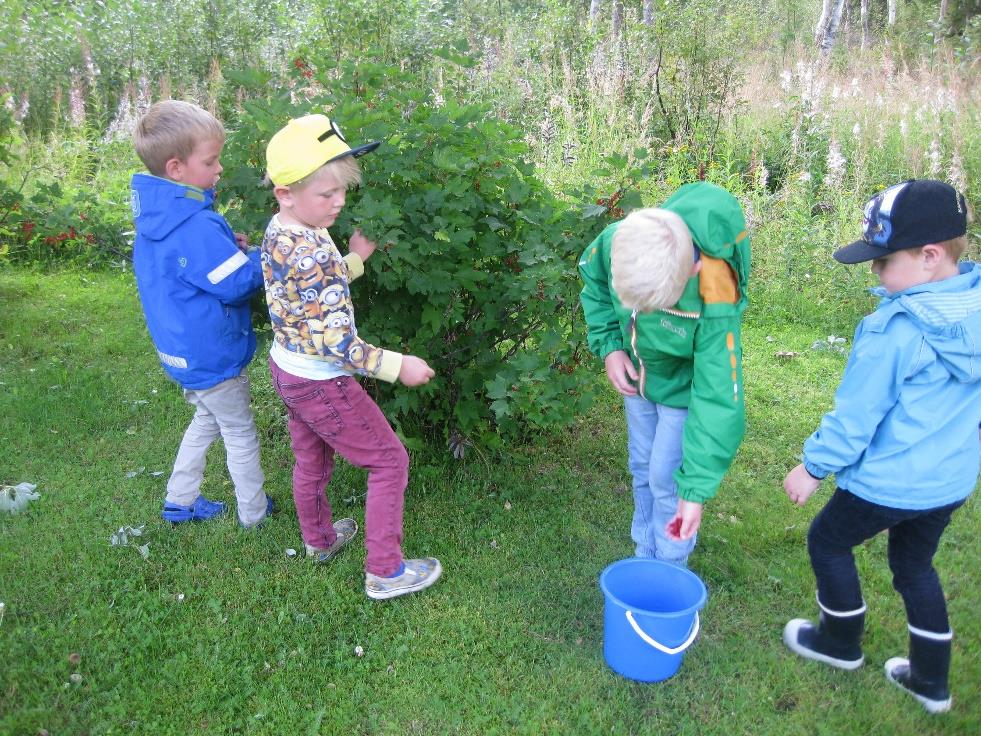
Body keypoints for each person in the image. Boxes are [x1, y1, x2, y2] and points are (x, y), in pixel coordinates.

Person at [782, 179, 979, 714]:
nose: (875, 271)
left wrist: (812, 467)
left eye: (883, 260)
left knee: (828, 540)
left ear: (929, 256)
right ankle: (931, 681)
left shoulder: (895, 330)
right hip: (949, 482)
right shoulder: (975, 310)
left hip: (889, 483)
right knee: (915, 567)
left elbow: (855, 419)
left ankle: (840, 644)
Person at [261, 113, 441, 600]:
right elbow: (337, 342)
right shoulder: (310, 246)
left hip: (288, 369)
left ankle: (319, 540)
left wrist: (355, 258)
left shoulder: (284, 230)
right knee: (389, 462)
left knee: (312, 460)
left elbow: (311, 292)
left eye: (342, 190)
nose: (339, 201)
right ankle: (385, 571)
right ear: (285, 192)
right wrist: (396, 365)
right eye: (327, 194)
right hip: (323, 382)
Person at [579, 182, 751, 567]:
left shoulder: (715, 292)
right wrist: (611, 347)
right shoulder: (618, 241)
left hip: (681, 390)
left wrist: (695, 490)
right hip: (638, 380)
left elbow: (718, 397)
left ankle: (669, 568)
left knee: (666, 480)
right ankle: (646, 554)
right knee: (642, 466)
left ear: (692, 270)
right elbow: (593, 282)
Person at [131, 100, 274, 528]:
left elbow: (201, 267)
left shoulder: (161, 216)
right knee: (240, 432)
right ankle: (255, 512)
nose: (218, 169)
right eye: (210, 161)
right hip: (213, 352)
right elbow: (236, 283)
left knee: (207, 419)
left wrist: (234, 249)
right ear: (176, 168)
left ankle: (179, 500)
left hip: (182, 351)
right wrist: (269, 255)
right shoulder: (194, 224)